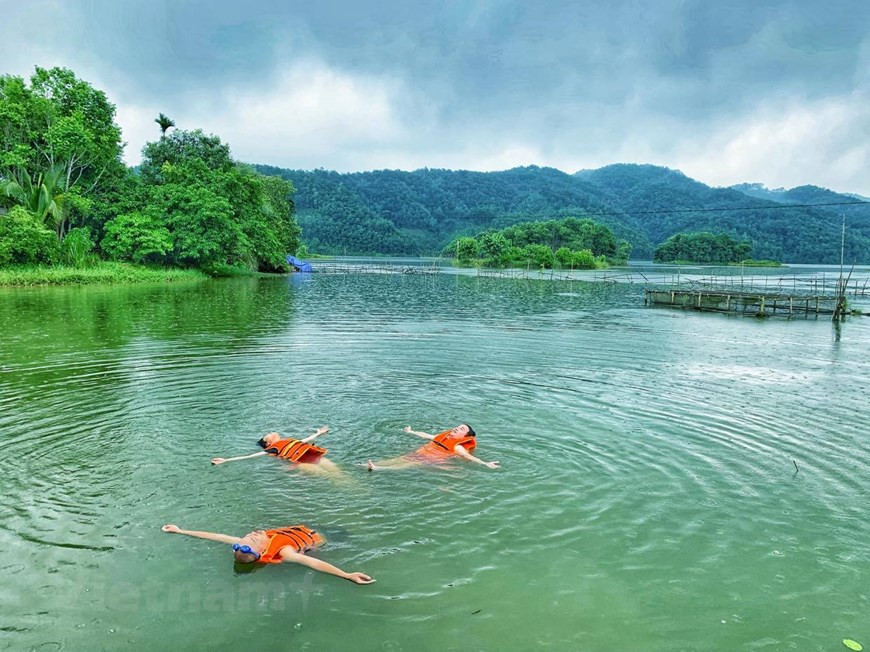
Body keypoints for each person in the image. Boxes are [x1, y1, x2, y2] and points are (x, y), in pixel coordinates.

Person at [160, 523, 375, 584]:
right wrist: (347, 575)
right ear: (262, 551)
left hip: (310, 528)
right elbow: (312, 563)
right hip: (329, 538)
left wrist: (181, 531)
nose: (253, 533)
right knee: (359, 532)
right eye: (254, 538)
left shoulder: (247, 545)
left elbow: (215, 536)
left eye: (250, 534)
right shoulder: (285, 551)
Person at [211, 426, 340, 476]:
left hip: (311, 455)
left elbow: (304, 440)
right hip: (300, 462)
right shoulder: (272, 448)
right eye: (268, 434)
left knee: (338, 472)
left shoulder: (287, 441)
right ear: (267, 443)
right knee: (329, 476)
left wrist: (318, 433)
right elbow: (252, 455)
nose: (271, 432)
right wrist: (226, 460)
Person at [367, 424, 500, 471]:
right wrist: (411, 432)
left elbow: (467, 456)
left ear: (464, 436)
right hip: (422, 452)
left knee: (408, 464)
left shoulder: (458, 447)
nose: (456, 428)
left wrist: (485, 463)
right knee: (400, 458)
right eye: (457, 426)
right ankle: (371, 465)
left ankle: (380, 468)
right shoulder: (445, 437)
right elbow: (427, 435)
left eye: (461, 429)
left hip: (430, 459)